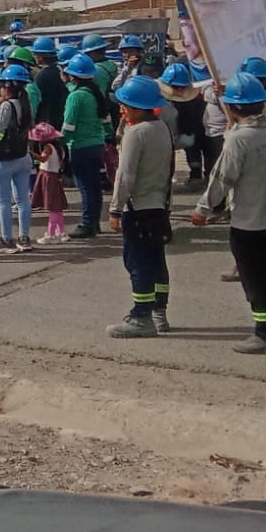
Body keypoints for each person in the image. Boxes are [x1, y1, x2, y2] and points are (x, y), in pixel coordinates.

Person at [190, 71, 266, 353]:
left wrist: (203, 208)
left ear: (232, 108)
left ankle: (263, 332)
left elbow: (222, 177)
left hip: (250, 223)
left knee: (255, 280)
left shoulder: (239, 139)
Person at [106, 75, 174, 338]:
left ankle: (141, 317)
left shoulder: (135, 133)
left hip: (138, 209)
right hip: (159, 206)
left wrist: (115, 209)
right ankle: (159, 313)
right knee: (156, 261)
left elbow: (125, 175)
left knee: (137, 263)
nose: (122, 109)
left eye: (126, 105)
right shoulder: (162, 128)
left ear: (139, 107)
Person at [0, 64, 36, 254]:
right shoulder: (26, 104)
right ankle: (24, 238)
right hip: (23, 156)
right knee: (23, 201)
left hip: (3, 159)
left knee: (4, 202)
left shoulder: (6, 106)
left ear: (8, 86)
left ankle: (7, 240)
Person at [62, 53, 109, 238]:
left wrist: (59, 143)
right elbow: (106, 121)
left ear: (73, 76)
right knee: (94, 186)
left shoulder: (76, 97)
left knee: (86, 187)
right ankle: (94, 222)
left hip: (80, 146)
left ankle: (88, 224)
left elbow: (69, 126)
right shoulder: (95, 93)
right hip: (97, 144)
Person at [28, 123, 69, 244]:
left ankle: (51, 234)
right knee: (57, 208)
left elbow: (43, 159)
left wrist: (30, 153)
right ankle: (61, 231)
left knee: (53, 208)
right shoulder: (57, 148)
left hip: (48, 177)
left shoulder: (48, 147)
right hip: (53, 177)